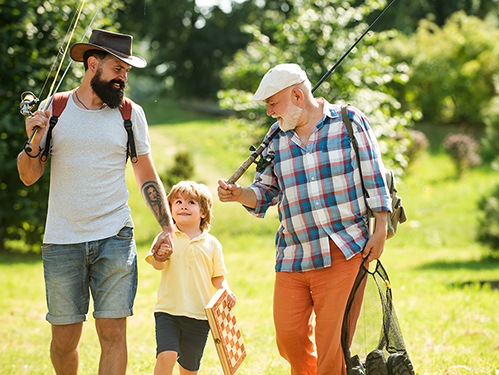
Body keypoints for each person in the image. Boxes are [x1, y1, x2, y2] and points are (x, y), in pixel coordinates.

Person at [17, 29, 175, 375]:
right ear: (92, 65)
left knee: (114, 333)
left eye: (126, 73)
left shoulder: (130, 114)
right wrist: (33, 142)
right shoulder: (54, 108)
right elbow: (28, 175)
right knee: (64, 340)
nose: (123, 79)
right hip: (62, 241)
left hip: (115, 237)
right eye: (117, 70)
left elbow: (147, 176)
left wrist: (168, 227)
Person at [217, 63, 391, 375]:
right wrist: (239, 194)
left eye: (273, 103)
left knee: (333, 346)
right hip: (294, 254)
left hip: (345, 250)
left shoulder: (349, 121)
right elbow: (266, 191)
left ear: (298, 95)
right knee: (289, 337)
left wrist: (379, 230)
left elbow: (375, 178)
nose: (270, 112)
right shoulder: (276, 137)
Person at [146, 180, 237, 375]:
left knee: (189, 368)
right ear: (170, 209)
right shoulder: (165, 236)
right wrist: (159, 256)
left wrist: (226, 292)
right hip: (168, 310)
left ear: (203, 212)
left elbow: (218, 277)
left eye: (191, 203)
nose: (183, 206)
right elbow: (157, 265)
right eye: (177, 202)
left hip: (199, 315)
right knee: (166, 355)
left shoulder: (212, 244)